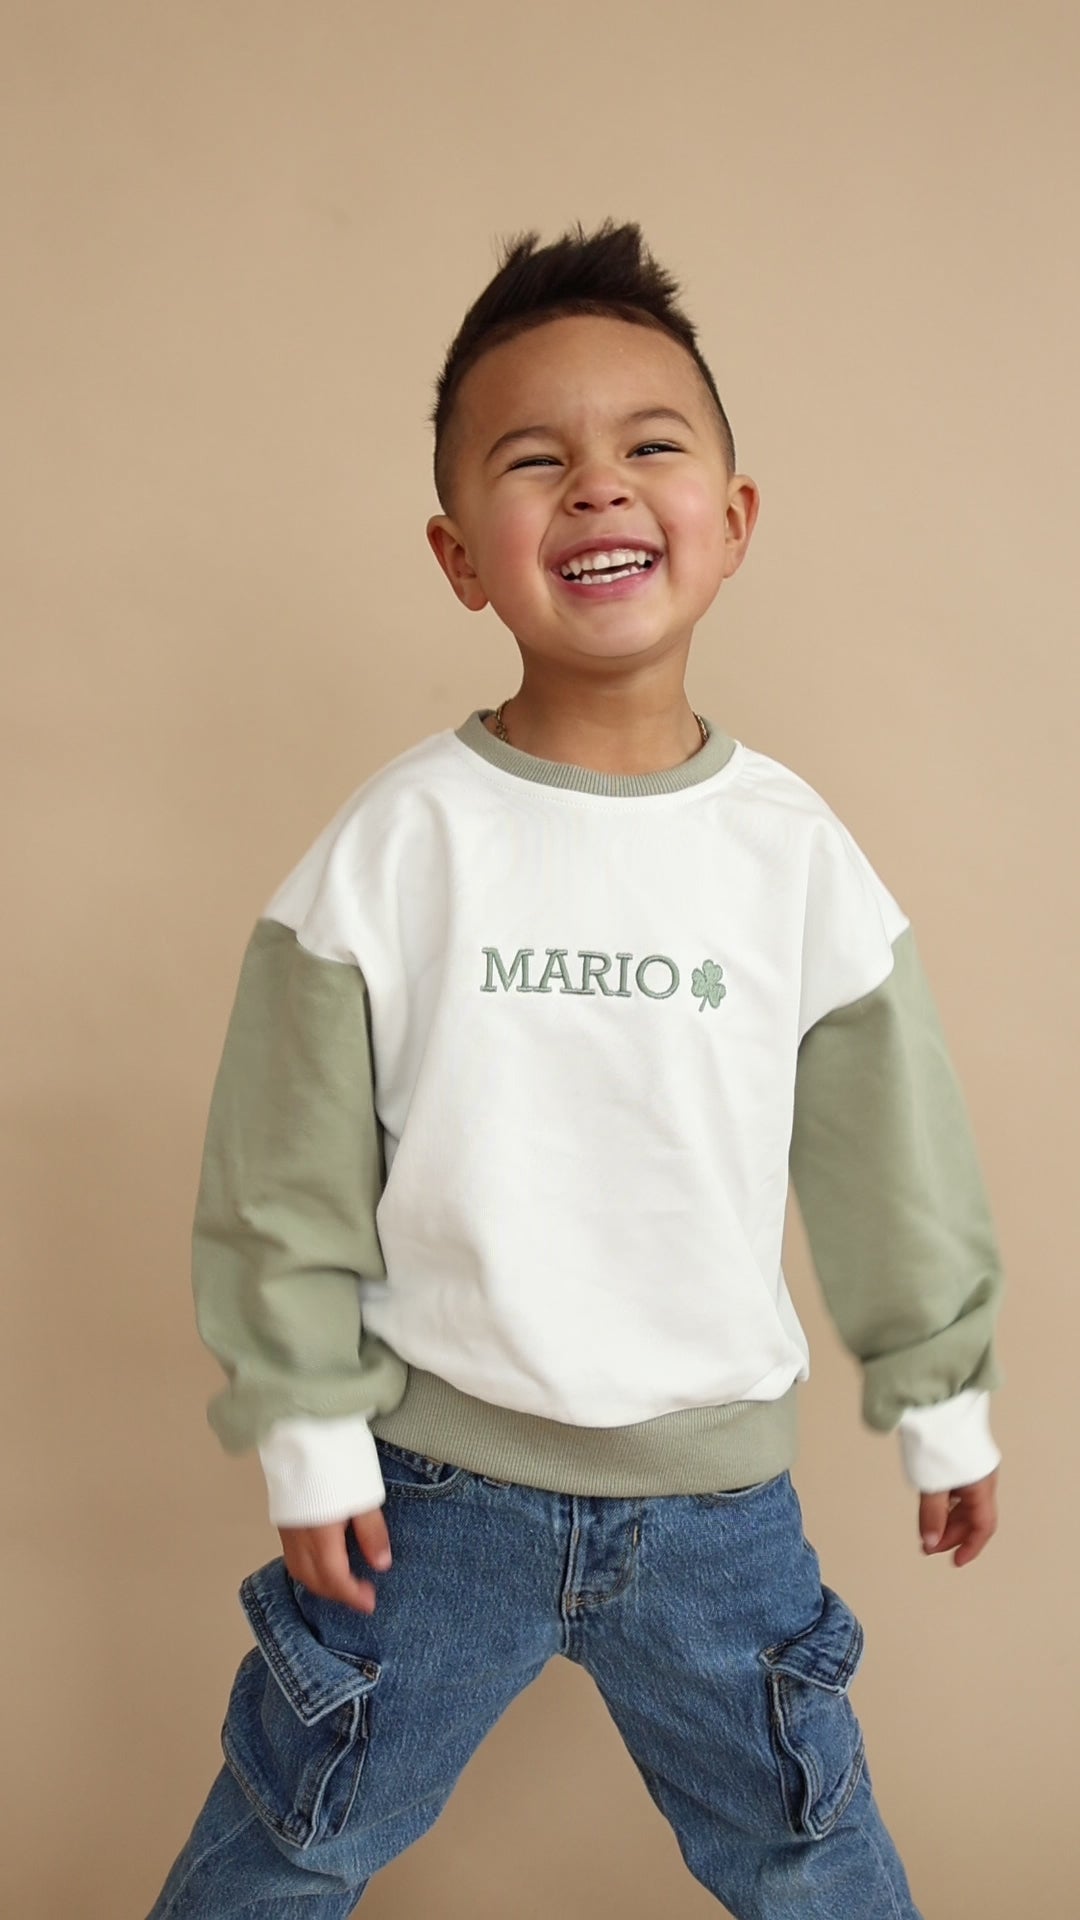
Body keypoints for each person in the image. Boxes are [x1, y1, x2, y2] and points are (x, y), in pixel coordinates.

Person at [147, 219, 1004, 1919]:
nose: (599, 485)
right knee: (289, 1844)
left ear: (733, 520)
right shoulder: (398, 845)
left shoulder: (794, 855)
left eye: (650, 446)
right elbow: (283, 1168)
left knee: (811, 1858)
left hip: (715, 1510)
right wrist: (307, 1431)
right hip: (428, 1504)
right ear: (461, 555)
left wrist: (942, 1395)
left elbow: (889, 1156)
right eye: (535, 461)